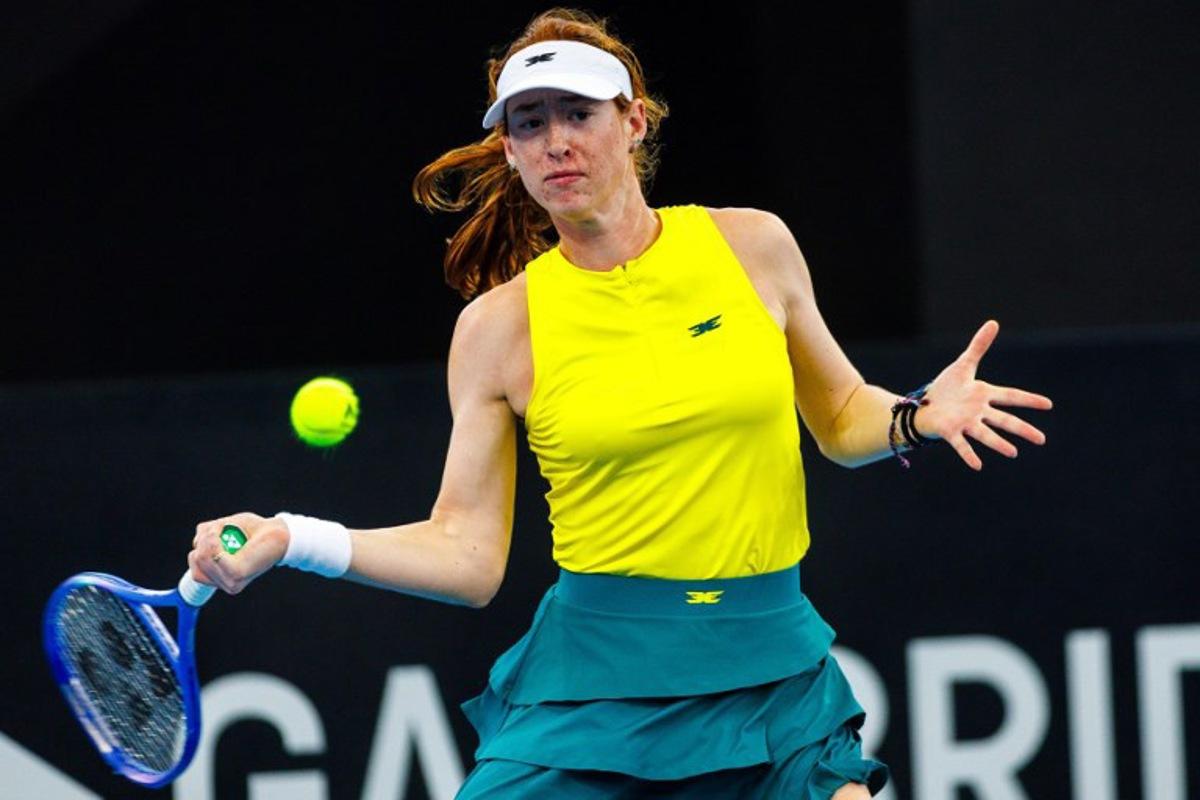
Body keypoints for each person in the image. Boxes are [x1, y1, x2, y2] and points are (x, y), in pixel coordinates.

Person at [189, 9, 1052, 798]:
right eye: (530, 124)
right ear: (512, 153)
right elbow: (466, 552)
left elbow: (838, 419)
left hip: (772, 672)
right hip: (593, 685)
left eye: (579, 114)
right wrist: (293, 538)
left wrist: (916, 415)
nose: (556, 141)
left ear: (633, 122)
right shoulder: (499, 330)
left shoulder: (752, 246)